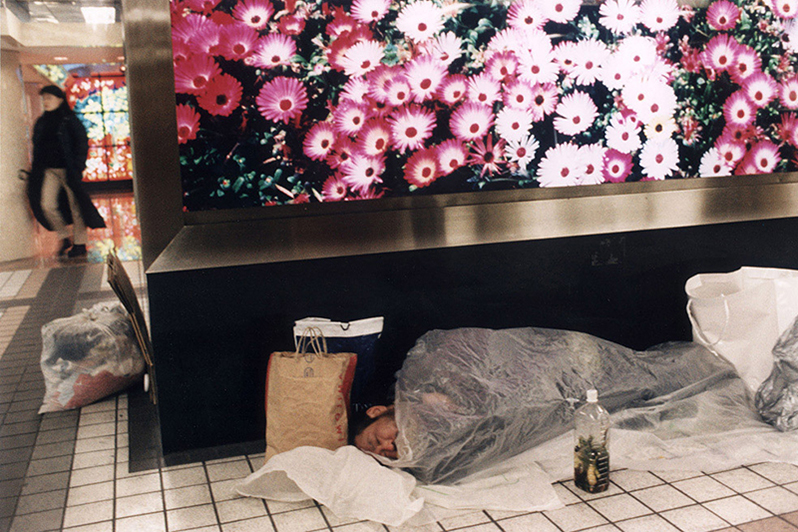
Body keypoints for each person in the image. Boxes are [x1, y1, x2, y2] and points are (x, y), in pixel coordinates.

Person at [352, 327, 751, 484]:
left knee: (645, 376)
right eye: (384, 455)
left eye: (375, 440)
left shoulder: (421, 374)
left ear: (376, 412)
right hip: (562, 399)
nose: (388, 447)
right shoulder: (437, 449)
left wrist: (449, 394)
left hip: (565, 365)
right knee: (638, 394)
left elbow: (480, 355)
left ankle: (701, 370)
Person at [26, 85, 105, 258]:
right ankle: (64, 237)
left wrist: (78, 166)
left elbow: (82, 143)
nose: (46, 102)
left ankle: (80, 243)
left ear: (60, 100)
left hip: (69, 170)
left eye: (49, 98)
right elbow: (37, 146)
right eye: (44, 98)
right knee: (47, 205)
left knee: (76, 207)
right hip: (49, 170)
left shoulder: (69, 120)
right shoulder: (42, 122)